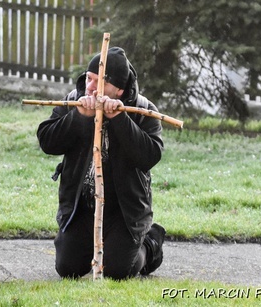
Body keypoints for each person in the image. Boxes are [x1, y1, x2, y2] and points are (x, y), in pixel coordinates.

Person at [37, 46, 166, 280]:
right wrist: (79, 118)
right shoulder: (74, 102)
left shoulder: (143, 110)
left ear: (119, 89)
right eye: (89, 78)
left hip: (124, 211)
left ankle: (149, 244)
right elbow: (47, 142)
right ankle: (85, 245)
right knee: (68, 269)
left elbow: (150, 156)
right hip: (82, 206)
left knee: (118, 271)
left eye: (100, 82)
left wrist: (120, 119)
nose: (90, 88)